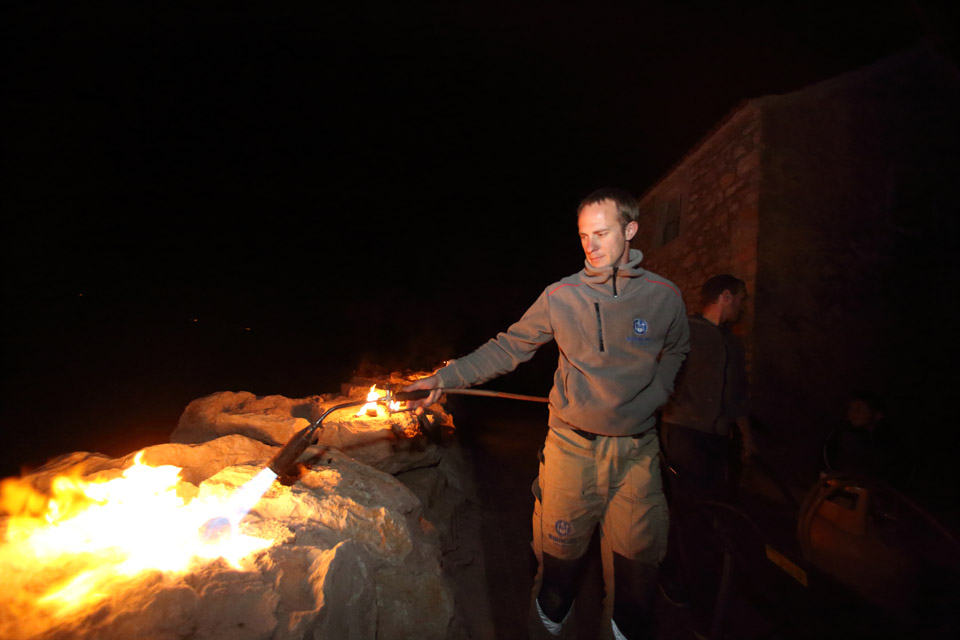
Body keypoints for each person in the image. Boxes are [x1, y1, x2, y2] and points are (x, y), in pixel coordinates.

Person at [404, 188, 690, 640]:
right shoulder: (561, 296)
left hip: (637, 455)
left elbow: (677, 348)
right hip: (571, 452)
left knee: (637, 590)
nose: (590, 246)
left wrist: (658, 391)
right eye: (583, 236)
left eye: (601, 233)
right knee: (556, 583)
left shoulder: (664, 297)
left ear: (630, 231)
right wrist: (444, 378)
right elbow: (508, 347)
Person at [656, 274, 756, 606]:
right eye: (741, 298)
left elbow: (738, 397)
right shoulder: (685, 330)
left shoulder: (733, 344)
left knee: (708, 509)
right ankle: (681, 581)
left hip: (718, 440)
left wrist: (747, 437)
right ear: (725, 296)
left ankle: (686, 573)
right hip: (684, 433)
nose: (744, 305)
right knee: (693, 510)